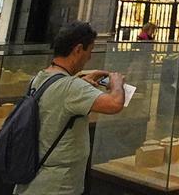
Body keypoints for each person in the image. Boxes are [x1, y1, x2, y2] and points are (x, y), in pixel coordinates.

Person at [15, 22, 125, 195]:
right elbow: (114, 104)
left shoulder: (40, 77)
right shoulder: (72, 88)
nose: (89, 57)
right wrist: (117, 83)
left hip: (33, 172)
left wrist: (81, 81)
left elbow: (59, 97)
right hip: (57, 183)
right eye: (90, 51)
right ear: (78, 49)